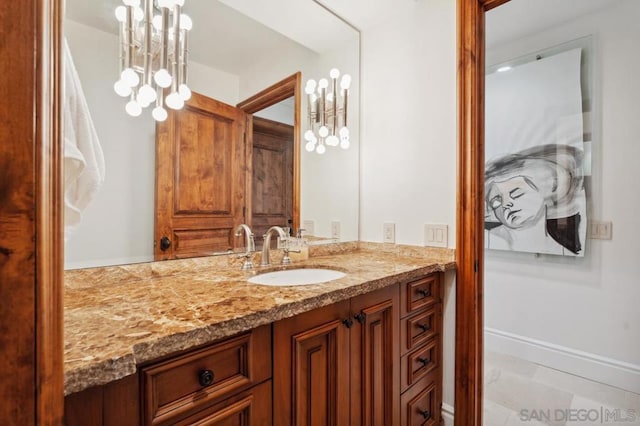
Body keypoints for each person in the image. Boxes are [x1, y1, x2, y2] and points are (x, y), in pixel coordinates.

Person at [484, 144, 585, 254]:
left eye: (517, 193)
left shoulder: (558, 250)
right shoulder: (489, 240)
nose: (506, 204)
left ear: (546, 191)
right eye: (496, 201)